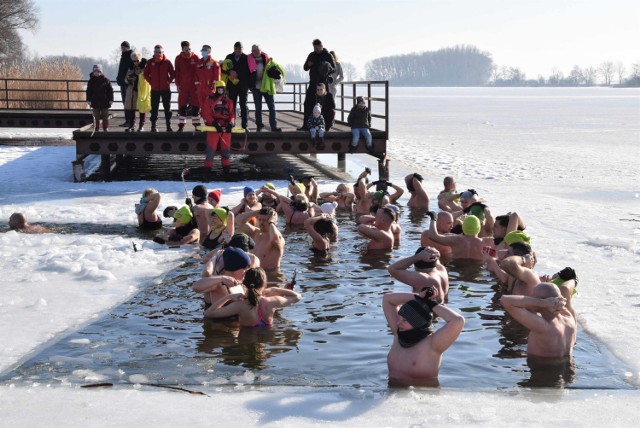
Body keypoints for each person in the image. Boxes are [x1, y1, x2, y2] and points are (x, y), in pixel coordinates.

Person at [383, 287, 464, 385]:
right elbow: (387, 299)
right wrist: (418, 298)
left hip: (422, 397)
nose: (398, 323)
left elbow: (458, 321)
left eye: (404, 320)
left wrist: (432, 305)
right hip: (392, 392)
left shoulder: (433, 344)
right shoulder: (398, 333)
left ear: (418, 322)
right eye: (400, 318)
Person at [501, 282, 576, 359]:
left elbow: (505, 300)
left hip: (540, 368)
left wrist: (542, 303)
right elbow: (565, 289)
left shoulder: (542, 325)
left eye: (533, 298)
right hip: (565, 365)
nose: (530, 298)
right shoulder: (569, 318)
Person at [204, 267, 301, 325]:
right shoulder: (273, 302)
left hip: (245, 343)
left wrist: (228, 297)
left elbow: (209, 313)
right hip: (267, 339)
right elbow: (297, 296)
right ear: (264, 284)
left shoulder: (240, 306)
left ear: (244, 284)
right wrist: (275, 289)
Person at [298, 39, 335, 130]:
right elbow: (305, 67)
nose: (316, 49)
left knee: (326, 104)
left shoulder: (328, 55)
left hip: (324, 83)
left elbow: (334, 68)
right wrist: (308, 64)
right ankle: (306, 125)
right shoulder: (312, 55)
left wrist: (327, 67)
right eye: (315, 48)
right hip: (313, 82)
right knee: (308, 103)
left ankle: (326, 125)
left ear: (322, 46)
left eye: (318, 48)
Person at [200, 80, 235, 173]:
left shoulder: (229, 101)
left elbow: (232, 115)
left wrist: (231, 123)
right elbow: (206, 114)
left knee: (226, 152)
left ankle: (227, 173)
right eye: (219, 88)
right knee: (210, 152)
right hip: (213, 129)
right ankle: (207, 174)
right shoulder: (209, 100)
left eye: (222, 88)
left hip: (225, 129)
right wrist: (214, 123)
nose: (220, 90)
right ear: (216, 89)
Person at [249, 44, 284, 132]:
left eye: (257, 50)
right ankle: (259, 126)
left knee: (272, 107)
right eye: (254, 51)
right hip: (256, 87)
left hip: (267, 86)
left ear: (261, 50)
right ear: (251, 51)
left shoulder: (267, 59)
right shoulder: (249, 60)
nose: (256, 52)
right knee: (258, 108)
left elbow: (275, 69)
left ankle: (273, 126)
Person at [143, 44, 175, 132]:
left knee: (167, 108)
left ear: (162, 52)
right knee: (154, 109)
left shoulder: (167, 62)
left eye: (159, 52)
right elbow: (145, 74)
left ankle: (168, 126)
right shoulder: (150, 62)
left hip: (166, 89)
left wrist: (168, 81)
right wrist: (151, 82)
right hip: (155, 90)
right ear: (154, 52)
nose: (158, 54)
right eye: (156, 52)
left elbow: (173, 73)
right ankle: (153, 126)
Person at [174, 41, 201, 131]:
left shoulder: (195, 57)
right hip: (183, 86)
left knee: (196, 105)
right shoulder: (178, 58)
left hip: (194, 86)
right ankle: (181, 126)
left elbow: (200, 72)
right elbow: (176, 73)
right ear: (182, 49)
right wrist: (178, 85)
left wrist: (199, 85)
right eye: (186, 48)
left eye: (189, 48)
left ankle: (197, 125)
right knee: (182, 106)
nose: (188, 50)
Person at [223, 42, 250, 130]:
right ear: (234, 49)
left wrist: (238, 74)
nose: (238, 50)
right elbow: (223, 68)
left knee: (243, 104)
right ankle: (232, 123)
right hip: (231, 85)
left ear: (242, 49)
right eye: (236, 49)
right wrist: (229, 72)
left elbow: (249, 71)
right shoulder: (229, 57)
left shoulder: (246, 58)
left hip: (243, 85)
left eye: (239, 49)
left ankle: (245, 125)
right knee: (232, 104)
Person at [123, 53, 151, 132]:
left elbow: (148, 78)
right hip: (131, 90)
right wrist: (129, 78)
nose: (136, 62)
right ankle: (132, 125)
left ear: (140, 59)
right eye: (134, 61)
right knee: (132, 108)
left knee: (142, 108)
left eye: (137, 60)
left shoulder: (145, 67)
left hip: (141, 90)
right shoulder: (130, 68)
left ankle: (141, 126)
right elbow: (125, 80)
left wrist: (138, 77)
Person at [86, 64, 113, 132]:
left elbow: (110, 91)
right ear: (93, 72)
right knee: (96, 117)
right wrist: (88, 99)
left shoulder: (106, 80)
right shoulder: (91, 81)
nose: (97, 73)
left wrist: (111, 99)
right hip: (95, 101)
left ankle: (105, 128)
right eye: (95, 71)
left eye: (98, 71)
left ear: (101, 72)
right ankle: (96, 128)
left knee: (105, 116)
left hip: (105, 101)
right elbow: (88, 91)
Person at [194, 44, 221, 110]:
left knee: (210, 107)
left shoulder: (214, 63)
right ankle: (205, 120)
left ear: (209, 51)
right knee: (202, 107)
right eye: (202, 50)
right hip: (200, 89)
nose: (203, 51)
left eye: (205, 50)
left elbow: (217, 76)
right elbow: (195, 74)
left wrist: (212, 86)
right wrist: (197, 85)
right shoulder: (199, 62)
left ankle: (210, 120)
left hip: (209, 89)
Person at [116, 41, 134, 127]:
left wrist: (129, 79)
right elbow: (121, 69)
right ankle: (127, 120)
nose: (122, 49)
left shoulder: (131, 56)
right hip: (122, 82)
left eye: (124, 47)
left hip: (128, 83)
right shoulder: (123, 56)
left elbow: (133, 69)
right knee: (124, 102)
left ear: (128, 47)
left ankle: (130, 121)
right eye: (122, 47)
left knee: (129, 103)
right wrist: (118, 78)